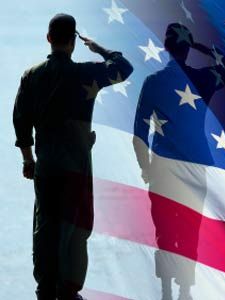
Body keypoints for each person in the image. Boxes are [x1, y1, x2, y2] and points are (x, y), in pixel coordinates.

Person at [13, 14, 133, 300]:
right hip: (76, 170)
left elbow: (20, 120)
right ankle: (68, 290)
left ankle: (44, 288)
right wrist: (100, 48)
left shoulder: (31, 76)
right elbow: (124, 67)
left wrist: (28, 159)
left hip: (46, 167)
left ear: (48, 38)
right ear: (73, 42)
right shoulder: (85, 74)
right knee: (76, 229)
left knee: (45, 227)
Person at [133, 23, 225, 300]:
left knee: (164, 228)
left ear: (166, 47)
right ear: (186, 48)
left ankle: (167, 290)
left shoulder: (153, 82)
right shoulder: (203, 79)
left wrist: (145, 167)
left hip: (162, 167)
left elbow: (139, 133)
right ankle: (185, 291)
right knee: (190, 227)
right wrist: (202, 47)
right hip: (195, 166)